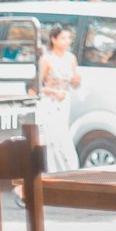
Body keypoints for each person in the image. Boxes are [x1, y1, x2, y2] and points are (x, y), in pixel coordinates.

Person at [36, 24, 81, 172]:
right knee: (51, 137)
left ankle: (68, 169)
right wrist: (54, 92)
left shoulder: (71, 58)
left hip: (64, 100)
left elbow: (75, 81)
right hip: (50, 102)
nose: (67, 41)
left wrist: (76, 81)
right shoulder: (47, 59)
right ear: (53, 39)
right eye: (63, 38)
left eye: (68, 38)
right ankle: (51, 170)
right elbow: (37, 87)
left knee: (63, 134)